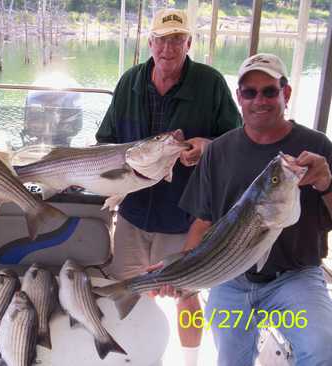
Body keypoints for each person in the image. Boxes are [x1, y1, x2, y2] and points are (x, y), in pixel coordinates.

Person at [95, 8, 242, 365]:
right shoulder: (130, 81)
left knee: (186, 294)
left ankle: (189, 360)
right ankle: (138, 356)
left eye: (177, 40)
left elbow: (238, 140)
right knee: (131, 291)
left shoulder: (210, 83)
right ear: (150, 43)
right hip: (132, 215)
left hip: (184, 216)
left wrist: (208, 146)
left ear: (188, 43)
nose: (168, 48)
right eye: (162, 39)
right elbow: (106, 140)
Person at [179, 53, 332, 365]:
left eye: (269, 91)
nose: (259, 100)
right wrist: (182, 274)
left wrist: (326, 182)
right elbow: (202, 223)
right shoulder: (218, 151)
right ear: (239, 98)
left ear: (286, 93)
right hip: (231, 278)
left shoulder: (318, 147)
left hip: (296, 276)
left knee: (322, 348)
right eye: (250, 92)